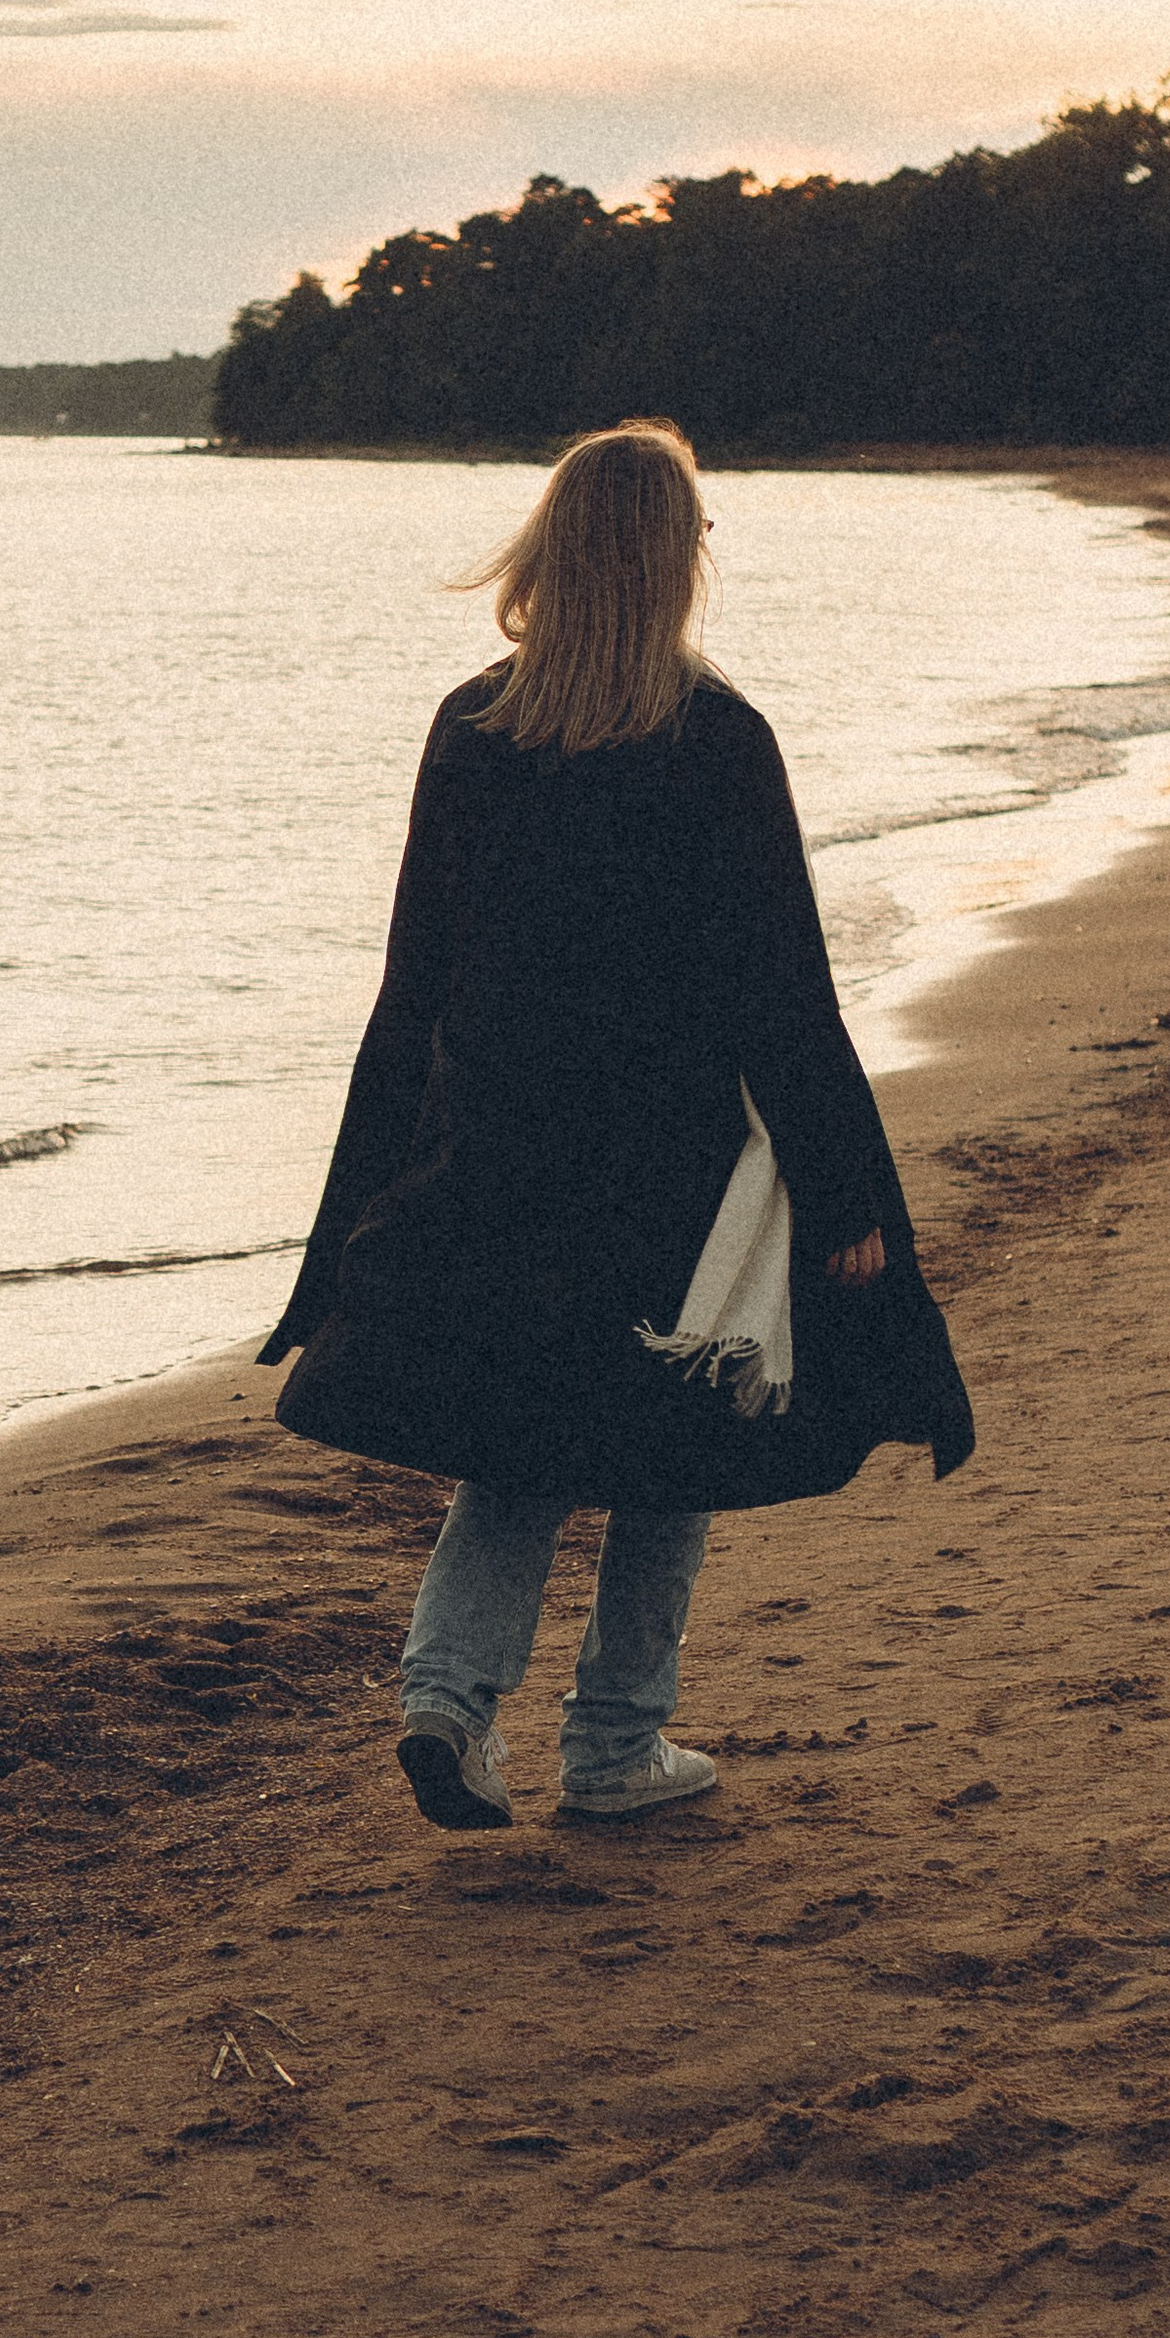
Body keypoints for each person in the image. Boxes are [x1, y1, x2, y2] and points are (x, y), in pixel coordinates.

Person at [259, 419, 974, 1832]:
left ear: (551, 555)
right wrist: (844, 1205)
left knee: (518, 1445)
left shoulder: (475, 730)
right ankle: (613, 1749)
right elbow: (785, 998)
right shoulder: (717, 737)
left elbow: (414, 987)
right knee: (675, 1444)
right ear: (669, 563)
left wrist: (358, 1204)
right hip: (669, 1171)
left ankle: (449, 1707)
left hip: (500, 1160)